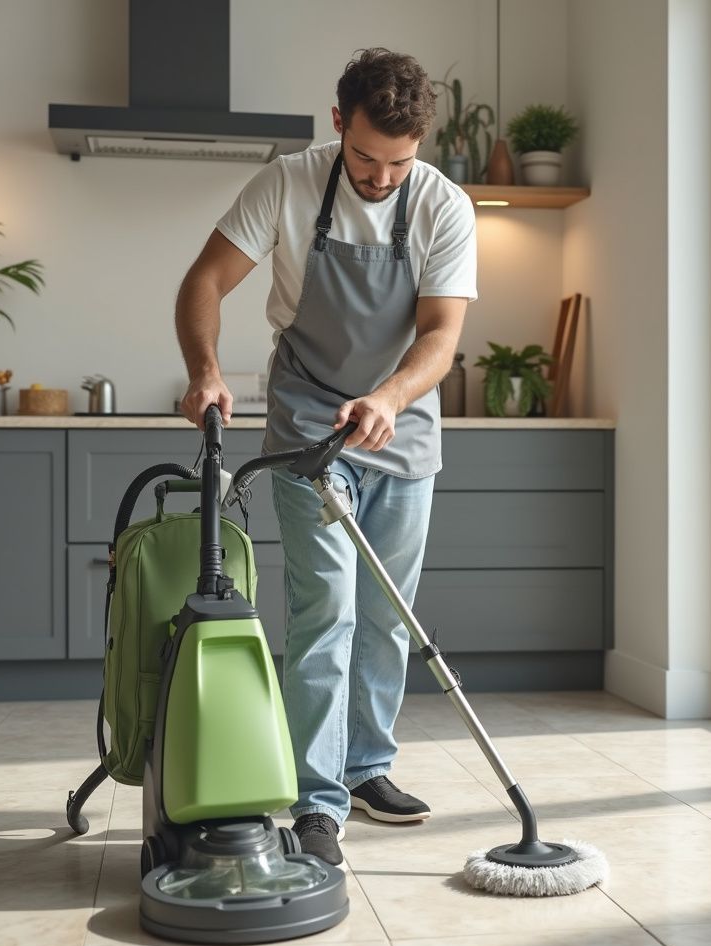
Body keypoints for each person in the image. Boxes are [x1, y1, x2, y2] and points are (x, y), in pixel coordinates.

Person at [176, 47, 477, 866]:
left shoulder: (445, 206)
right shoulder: (287, 182)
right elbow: (204, 282)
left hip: (401, 425)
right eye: (366, 160)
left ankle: (368, 767)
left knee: (386, 616)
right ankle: (316, 801)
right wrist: (207, 369)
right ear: (338, 122)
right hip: (310, 422)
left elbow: (442, 336)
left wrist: (387, 397)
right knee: (328, 610)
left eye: (399, 164)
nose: (381, 179)